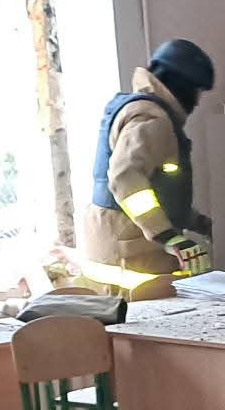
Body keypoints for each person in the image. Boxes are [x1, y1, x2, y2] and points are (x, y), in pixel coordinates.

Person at [80, 39, 216, 297]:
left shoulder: (139, 109)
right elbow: (125, 178)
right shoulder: (153, 119)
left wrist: (195, 221)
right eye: (197, 91)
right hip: (131, 261)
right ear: (183, 86)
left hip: (118, 249)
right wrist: (166, 235)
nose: (197, 102)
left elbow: (158, 188)